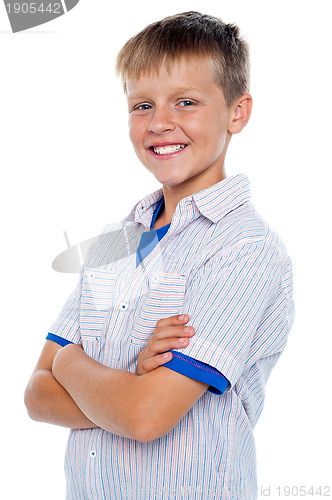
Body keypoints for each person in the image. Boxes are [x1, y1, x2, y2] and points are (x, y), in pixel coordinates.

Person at [24, 11, 294, 500]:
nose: (160, 123)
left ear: (238, 112)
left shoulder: (245, 250)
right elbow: (36, 395)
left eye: (186, 102)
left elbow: (144, 417)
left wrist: (68, 360)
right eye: (141, 105)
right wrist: (127, 379)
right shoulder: (113, 242)